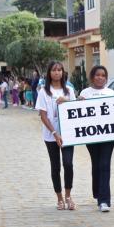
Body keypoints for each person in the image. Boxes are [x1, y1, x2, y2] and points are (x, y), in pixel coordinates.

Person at [35, 61, 76, 210]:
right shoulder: (43, 92)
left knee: (68, 164)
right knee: (56, 166)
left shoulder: (69, 90)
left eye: (60, 70)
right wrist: (54, 133)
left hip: (68, 135)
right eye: (54, 70)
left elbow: (75, 110)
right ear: (49, 73)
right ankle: (59, 198)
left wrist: (66, 101)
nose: (57, 72)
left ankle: (68, 196)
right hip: (50, 135)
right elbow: (43, 115)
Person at [79, 65, 114, 212]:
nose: (100, 77)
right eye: (97, 75)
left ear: (106, 78)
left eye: (103, 75)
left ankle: (104, 200)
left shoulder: (112, 93)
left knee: (105, 164)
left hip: (108, 136)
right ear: (92, 77)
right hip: (91, 136)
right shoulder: (85, 93)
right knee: (96, 164)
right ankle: (97, 191)